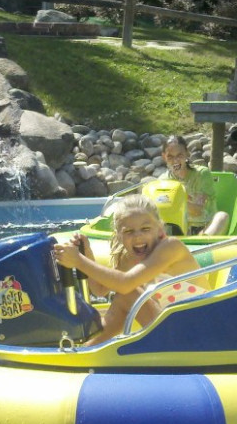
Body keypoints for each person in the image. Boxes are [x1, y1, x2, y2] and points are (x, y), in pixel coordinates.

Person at [54, 194, 206, 346]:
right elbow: (100, 289)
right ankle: (89, 347)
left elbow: (125, 283)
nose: (138, 236)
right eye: (129, 232)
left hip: (200, 330)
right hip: (175, 328)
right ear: (119, 235)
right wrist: (86, 254)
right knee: (124, 297)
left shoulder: (171, 247)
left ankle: (88, 349)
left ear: (160, 229)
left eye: (145, 229)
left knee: (128, 292)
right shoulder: (131, 259)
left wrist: (79, 261)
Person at [160, 135, 229, 236]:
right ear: (164, 157)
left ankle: (203, 244)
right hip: (176, 230)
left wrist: (174, 201)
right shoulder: (162, 181)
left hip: (204, 228)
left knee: (222, 216)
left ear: (187, 153)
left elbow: (197, 211)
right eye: (170, 156)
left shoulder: (201, 174)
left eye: (179, 155)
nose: (175, 160)